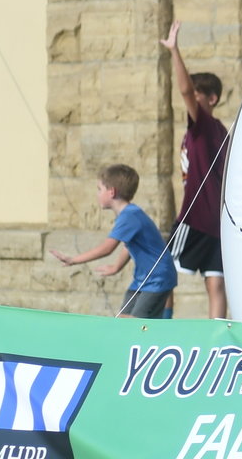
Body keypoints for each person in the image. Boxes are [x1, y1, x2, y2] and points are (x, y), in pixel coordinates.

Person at [161, 20, 229, 318]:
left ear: (211, 99)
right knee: (216, 284)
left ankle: (161, 328)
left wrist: (174, 51)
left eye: (199, 96)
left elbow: (186, 91)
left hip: (196, 217)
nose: (192, 100)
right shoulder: (222, 131)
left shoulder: (203, 125)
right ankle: (218, 336)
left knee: (161, 270)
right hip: (217, 221)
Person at [51, 164, 177, 318]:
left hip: (157, 279)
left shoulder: (129, 216)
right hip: (143, 279)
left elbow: (107, 248)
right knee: (122, 319)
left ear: (111, 192)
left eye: (99, 189)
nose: (97, 194)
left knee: (137, 325)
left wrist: (73, 260)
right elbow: (128, 245)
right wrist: (116, 267)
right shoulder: (128, 214)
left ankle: (165, 327)